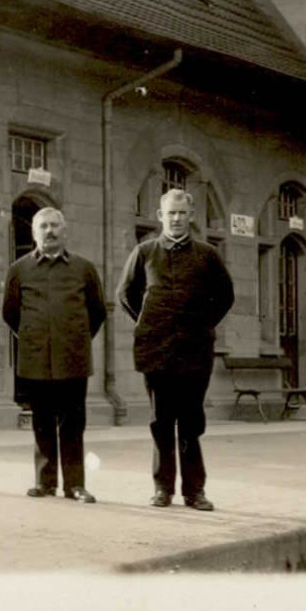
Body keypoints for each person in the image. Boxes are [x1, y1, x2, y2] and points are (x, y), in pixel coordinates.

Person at [115, 188, 234, 511]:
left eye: (182, 213)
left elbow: (224, 296)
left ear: (191, 216)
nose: (177, 219)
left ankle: (194, 491)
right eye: (171, 213)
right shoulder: (144, 252)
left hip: (195, 353)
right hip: (157, 352)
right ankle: (162, 488)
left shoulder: (207, 255)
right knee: (161, 421)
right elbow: (126, 294)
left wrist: (200, 324)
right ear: (160, 216)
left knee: (191, 422)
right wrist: (150, 323)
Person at [2, 207, 106, 502]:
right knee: (41, 421)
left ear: (65, 230)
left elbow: (97, 312)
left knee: (73, 423)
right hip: (35, 359)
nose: (49, 231)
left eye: (55, 226)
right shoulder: (19, 270)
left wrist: (74, 339)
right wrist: (36, 339)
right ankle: (44, 482)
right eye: (43, 226)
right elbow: (10, 313)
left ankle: (75, 485)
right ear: (34, 233)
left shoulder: (84, 268)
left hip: (73, 358)